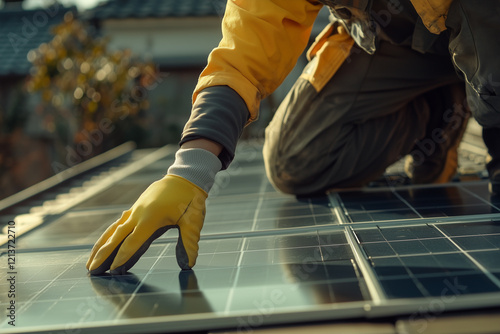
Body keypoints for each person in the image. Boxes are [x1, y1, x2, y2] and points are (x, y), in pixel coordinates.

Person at [86, 0, 500, 275]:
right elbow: (245, 49)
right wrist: (189, 171)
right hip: (401, 46)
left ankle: (477, 91)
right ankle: (438, 111)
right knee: (293, 159)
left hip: (483, 25)